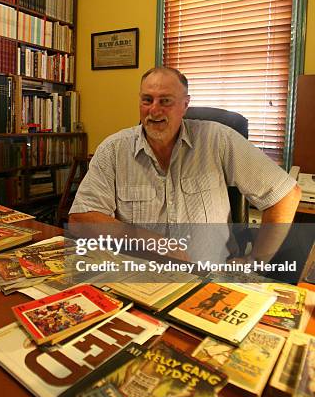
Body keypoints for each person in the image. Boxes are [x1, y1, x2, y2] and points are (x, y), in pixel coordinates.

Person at [69, 67, 301, 263]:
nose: (154, 110)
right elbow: (81, 219)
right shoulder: (114, 149)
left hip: (209, 277)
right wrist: (153, 242)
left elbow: (285, 193)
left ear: (185, 105)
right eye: (147, 100)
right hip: (140, 277)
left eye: (166, 101)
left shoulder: (218, 140)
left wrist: (255, 261)